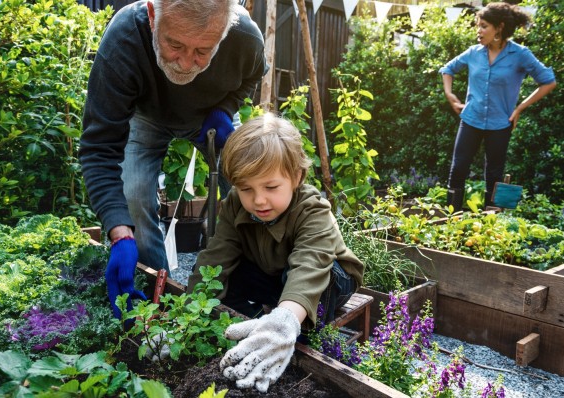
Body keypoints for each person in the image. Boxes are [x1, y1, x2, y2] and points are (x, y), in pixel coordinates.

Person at [78, 0, 267, 319]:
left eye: (203, 51)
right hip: (146, 117)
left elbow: (252, 76)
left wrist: (226, 109)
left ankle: (252, 285)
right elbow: (99, 147)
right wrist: (119, 232)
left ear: (223, 32)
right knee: (133, 198)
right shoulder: (125, 38)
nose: (185, 63)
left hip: (209, 116)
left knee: (252, 184)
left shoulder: (244, 37)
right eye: (174, 44)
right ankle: (156, 295)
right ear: (153, 15)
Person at [187, 113, 364, 392]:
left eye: (271, 187)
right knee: (222, 273)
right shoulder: (235, 204)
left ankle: (297, 336)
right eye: (246, 189)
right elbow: (216, 256)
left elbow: (310, 264)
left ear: (296, 177)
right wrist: (188, 315)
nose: (258, 200)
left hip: (328, 278)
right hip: (272, 272)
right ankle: (255, 324)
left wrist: (286, 321)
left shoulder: (312, 208)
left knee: (318, 277)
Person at [439, 2, 556, 211]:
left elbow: (548, 81)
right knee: (458, 170)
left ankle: (491, 225)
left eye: (483, 26)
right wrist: (450, 94)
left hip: (500, 124)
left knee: (494, 175)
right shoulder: (474, 52)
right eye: (478, 25)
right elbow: (448, 69)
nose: (479, 30)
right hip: (471, 119)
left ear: (499, 28)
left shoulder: (520, 54)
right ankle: (450, 220)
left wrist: (519, 108)